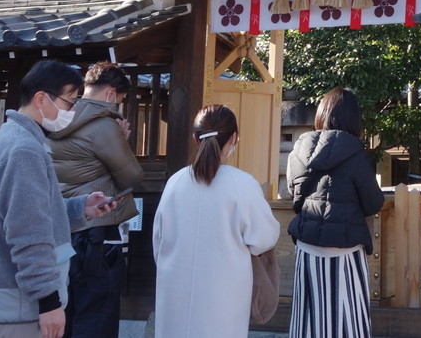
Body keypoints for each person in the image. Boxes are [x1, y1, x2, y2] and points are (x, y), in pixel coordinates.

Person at [0, 60, 123, 338]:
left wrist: (81, 208)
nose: (73, 111)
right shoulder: (23, 150)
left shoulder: (17, 140)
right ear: (41, 98)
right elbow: (28, 234)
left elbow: (34, 215)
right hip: (23, 307)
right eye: (69, 102)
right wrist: (49, 302)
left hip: (17, 303)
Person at [152, 104, 280, 338]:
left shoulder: (175, 183)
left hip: (175, 292)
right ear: (234, 139)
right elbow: (263, 239)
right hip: (224, 295)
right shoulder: (242, 184)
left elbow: (158, 242)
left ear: (194, 138)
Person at [47, 62, 143, 338]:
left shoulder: (58, 117)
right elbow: (133, 177)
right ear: (111, 94)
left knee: (67, 310)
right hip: (99, 230)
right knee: (97, 315)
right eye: (121, 101)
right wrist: (122, 141)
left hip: (64, 227)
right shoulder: (103, 125)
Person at [286, 88, 385, 338]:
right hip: (346, 249)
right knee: (348, 320)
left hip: (307, 246)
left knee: (308, 318)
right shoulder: (356, 154)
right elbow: (373, 202)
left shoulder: (299, 150)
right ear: (354, 118)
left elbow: (293, 193)